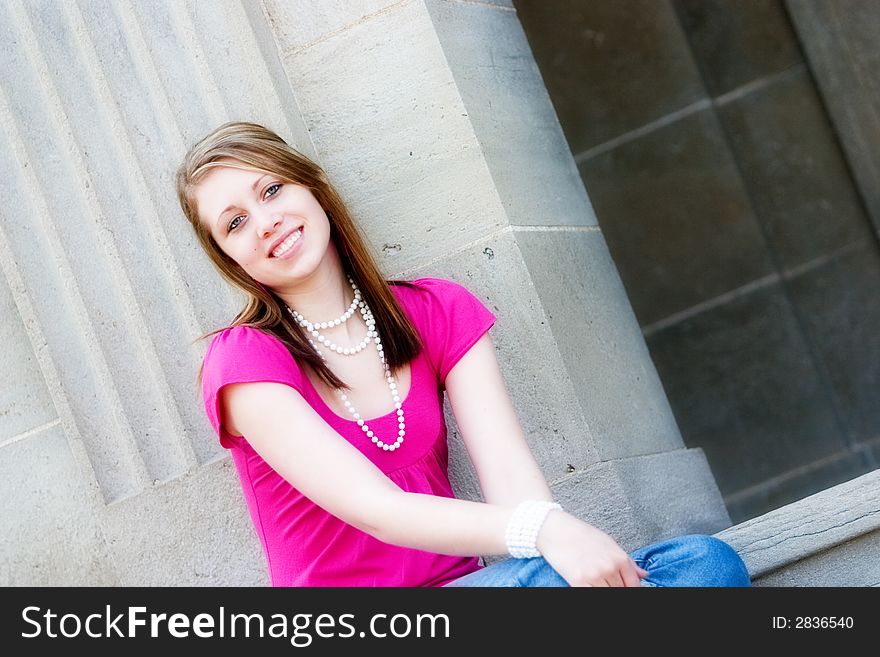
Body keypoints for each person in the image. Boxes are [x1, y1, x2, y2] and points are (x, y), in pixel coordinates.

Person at [176, 121, 751, 588]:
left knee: (706, 564)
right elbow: (378, 510)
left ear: (312, 188)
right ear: (232, 260)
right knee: (551, 584)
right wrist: (549, 538)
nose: (266, 221)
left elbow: (515, 489)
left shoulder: (434, 311)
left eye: (272, 190)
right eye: (235, 224)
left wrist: (557, 547)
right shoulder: (245, 361)